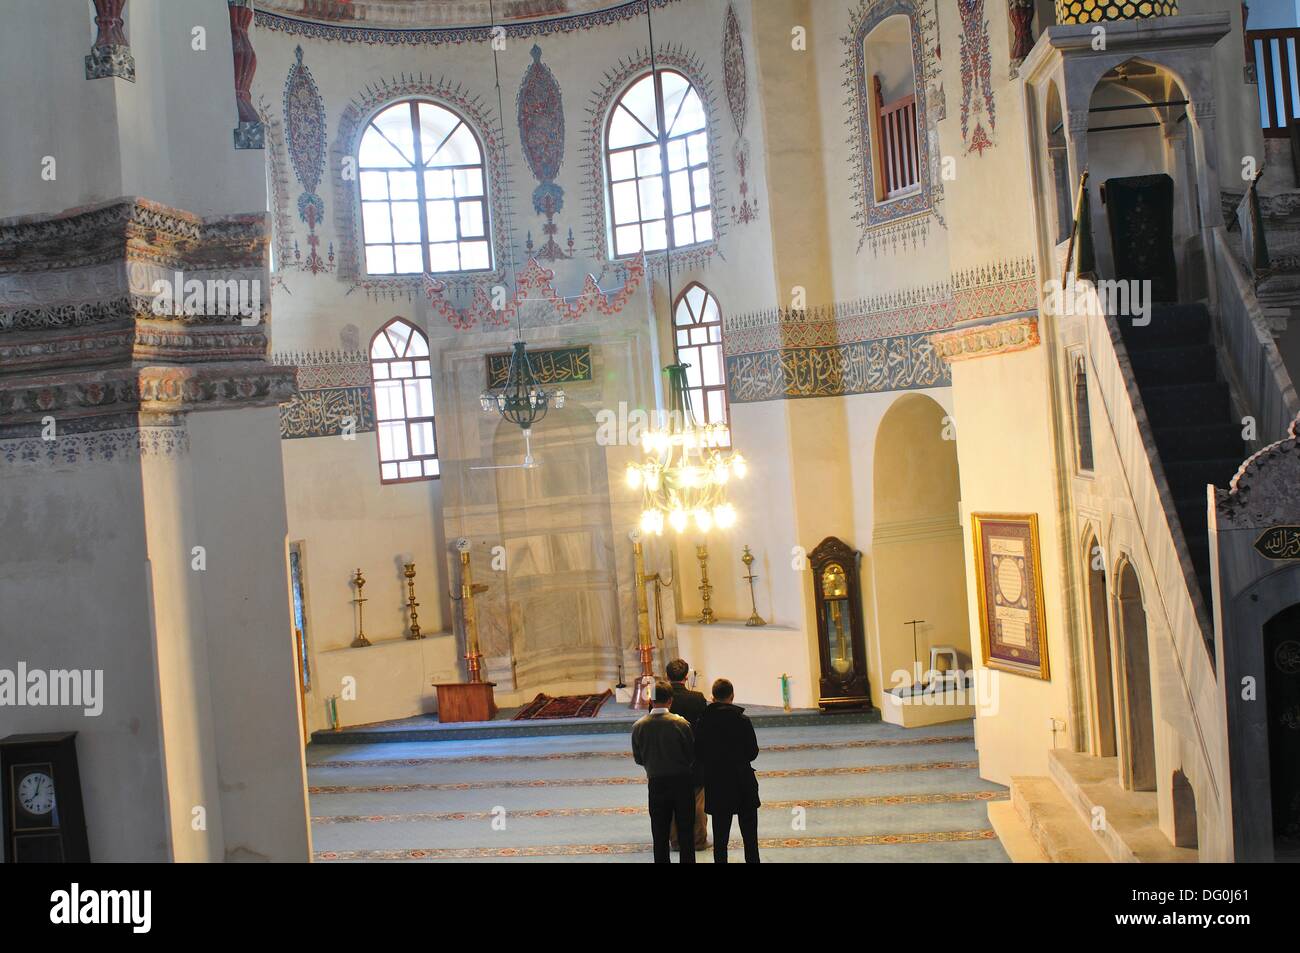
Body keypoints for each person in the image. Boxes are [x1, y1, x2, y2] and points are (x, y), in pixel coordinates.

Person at [694, 677, 761, 863]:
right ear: (732, 696)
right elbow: (753, 752)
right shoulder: (742, 720)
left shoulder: (704, 721)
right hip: (743, 781)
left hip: (717, 783)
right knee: (750, 838)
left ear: (713, 697)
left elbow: (698, 753)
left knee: (720, 838)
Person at [630, 679, 696, 863]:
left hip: (656, 783)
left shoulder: (639, 726)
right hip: (682, 783)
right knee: (685, 832)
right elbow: (691, 755)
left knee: (659, 834)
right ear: (670, 701)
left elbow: (638, 758)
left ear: (651, 700)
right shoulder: (681, 724)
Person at [665, 658, 709, 851]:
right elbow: (706, 725)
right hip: (695, 756)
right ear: (686, 676)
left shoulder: (661, 699)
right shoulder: (697, 698)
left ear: (667, 677)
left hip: (670, 757)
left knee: (673, 801)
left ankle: (675, 841)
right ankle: (699, 840)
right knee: (698, 800)